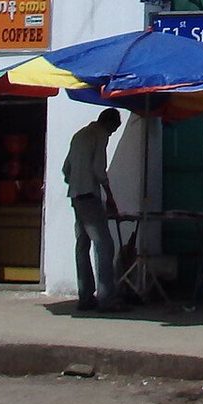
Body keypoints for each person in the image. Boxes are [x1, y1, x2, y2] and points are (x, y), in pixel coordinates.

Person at [63, 109, 122, 312]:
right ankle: (106, 298)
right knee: (104, 245)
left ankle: (85, 296)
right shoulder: (100, 135)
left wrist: (76, 181)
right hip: (89, 196)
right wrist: (110, 196)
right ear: (110, 124)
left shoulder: (79, 135)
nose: (112, 134)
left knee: (82, 245)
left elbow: (66, 169)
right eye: (114, 129)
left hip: (76, 196)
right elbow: (99, 170)